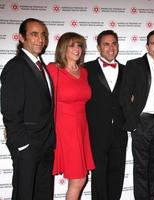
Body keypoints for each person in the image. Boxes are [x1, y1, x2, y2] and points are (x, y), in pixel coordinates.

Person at [0, 18, 55, 200]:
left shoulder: (42, 66)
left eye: (43, 35)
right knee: (24, 194)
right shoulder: (15, 67)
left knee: (43, 193)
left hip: (46, 145)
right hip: (28, 146)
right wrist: (23, 145)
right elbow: (10, 111)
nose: (40, 39)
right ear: (22, 37)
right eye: (34, 34)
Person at [119, 29, 154, 200]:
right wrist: (132, 123)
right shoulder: (134, 65)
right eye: (153, 43)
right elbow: (124, 96)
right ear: (147, 46)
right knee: (141, 168)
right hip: (141, 122)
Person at [47, 32, 95, 199]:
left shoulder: (83, 71)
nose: (77, 49)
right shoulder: (54, 69)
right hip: (65, 129)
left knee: (78, 178)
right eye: (72, 45)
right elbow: (43, 100)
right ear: (63, 48)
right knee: (79, 178)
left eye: (79, 45)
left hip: (81, 128)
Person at [84, 30, 128, 200]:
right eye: (106, 44)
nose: (111, 48)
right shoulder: (86, 69)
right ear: (98, 47)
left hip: (119, 131)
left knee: (117, 176)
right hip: (95, 133)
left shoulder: (127, 70)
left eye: (114, 43)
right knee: (99, 178)